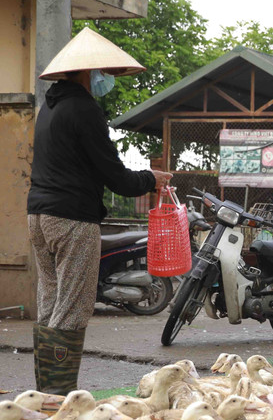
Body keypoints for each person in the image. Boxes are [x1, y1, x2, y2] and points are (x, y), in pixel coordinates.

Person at [27, 27, 172, 395]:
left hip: (39, 216)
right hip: (72, 218)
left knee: (50, 300)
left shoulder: (49, 108)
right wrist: (150, 179)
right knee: (73, 307)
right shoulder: (84, 109)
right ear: (87, 73)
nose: (105, 79)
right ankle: (58, 399)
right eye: (103, 73)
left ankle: (43, 394)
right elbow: (115, 176)